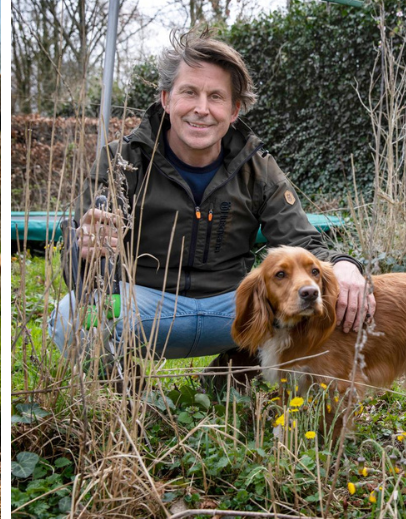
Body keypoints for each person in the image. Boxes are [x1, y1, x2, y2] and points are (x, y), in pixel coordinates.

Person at [50, 28, 374, 374]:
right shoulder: (122, 160)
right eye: (189, 92)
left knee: (324, 300)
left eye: (216, 97)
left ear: (234, 110)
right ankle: (131, 396)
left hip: (231, 309)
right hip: (145, 308)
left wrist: (344, 264)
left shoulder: (257, 166)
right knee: (71, 316)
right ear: (166, 98)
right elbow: (78, 269)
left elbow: (303, 241)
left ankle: (237, 373)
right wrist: (82, 249)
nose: (201, 109)